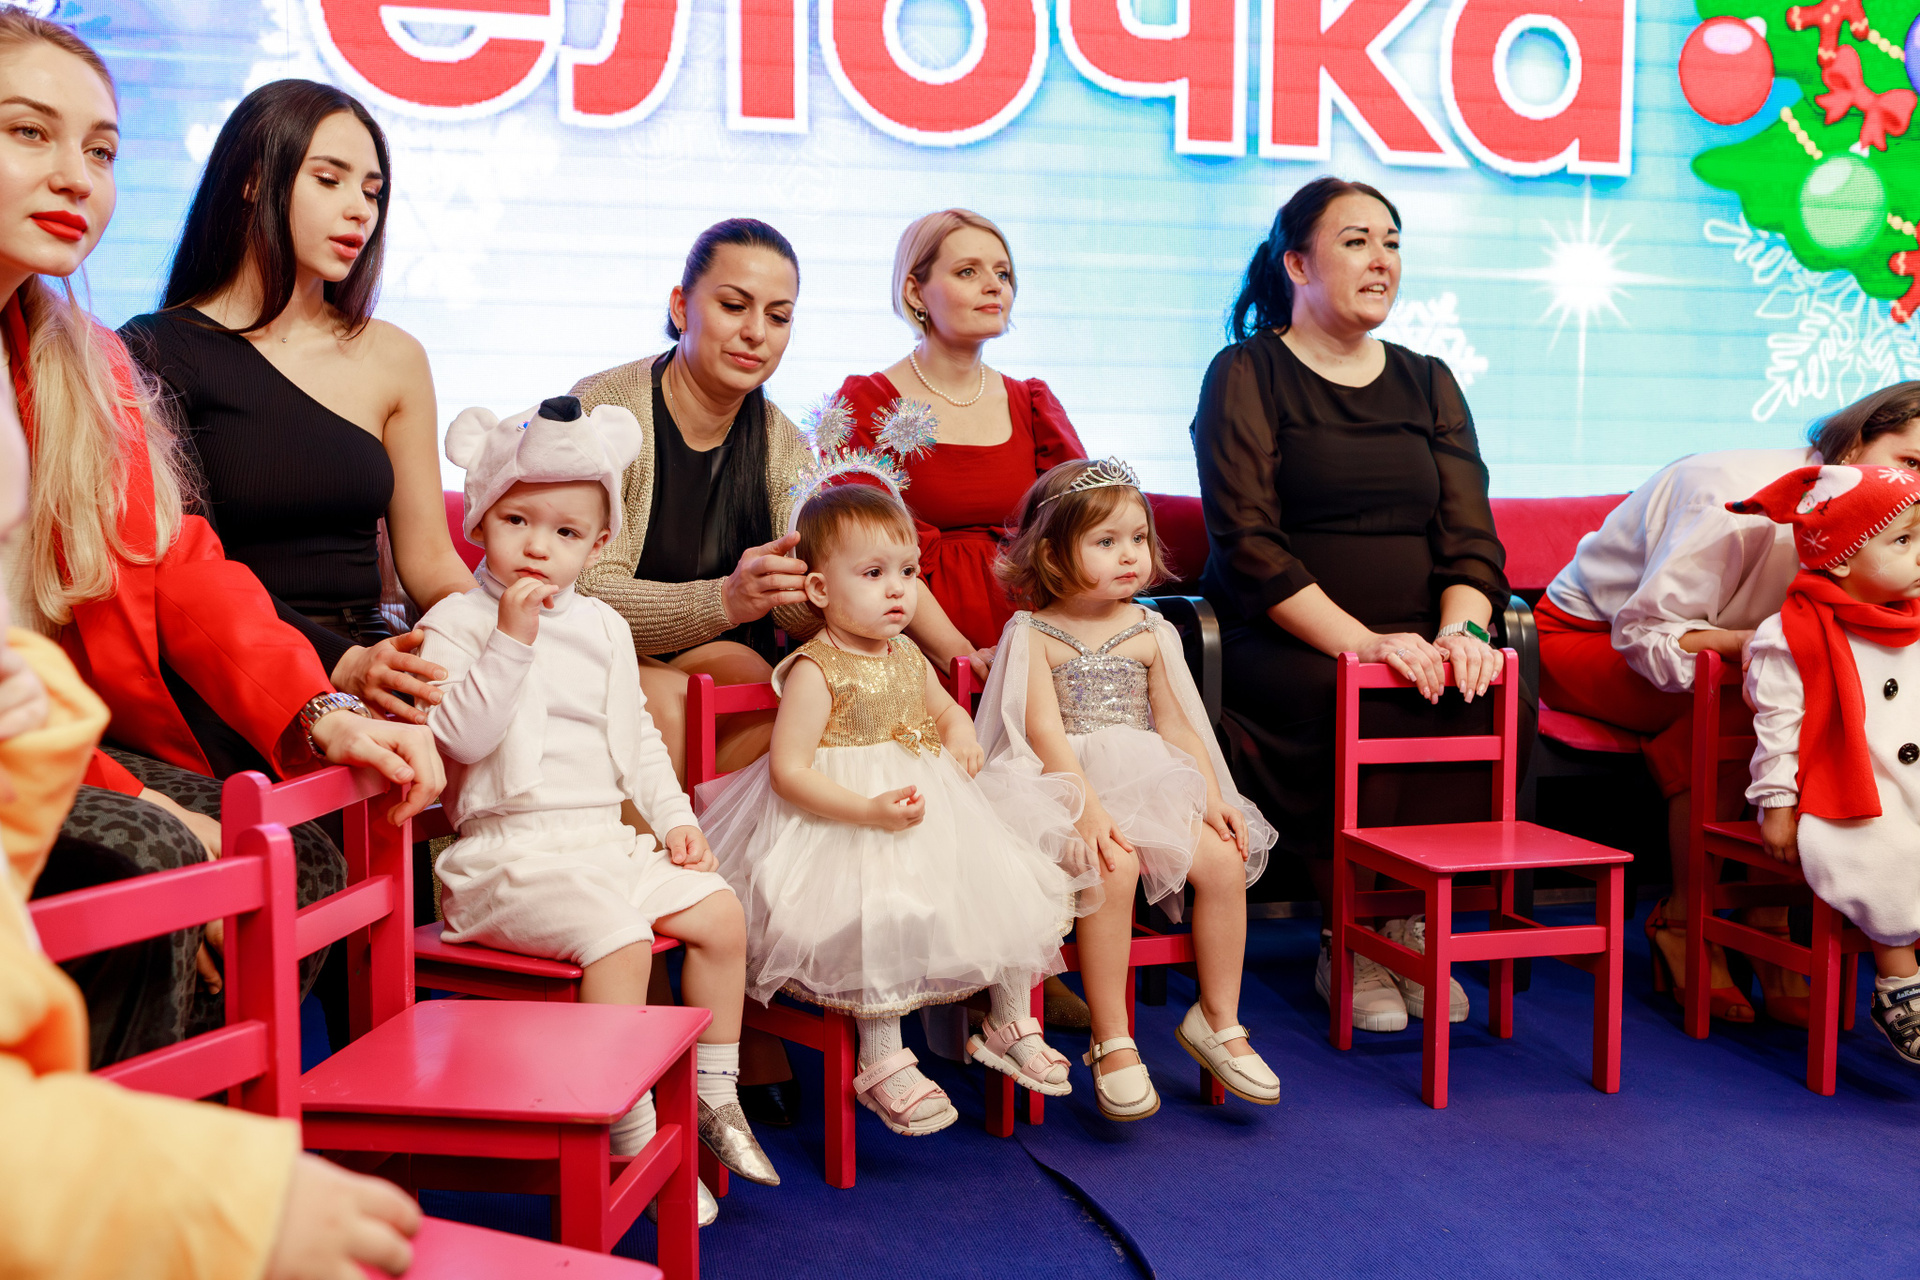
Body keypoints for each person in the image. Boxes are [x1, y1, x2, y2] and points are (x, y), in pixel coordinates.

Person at [0, 135, 417, 1268]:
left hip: (54, 727)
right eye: (29, 132)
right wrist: (141, 795)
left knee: (302, 857)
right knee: (159, 862)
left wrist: (321, 708)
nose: (76, 175)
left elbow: (174, 559)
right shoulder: (157, 340)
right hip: (27, 745)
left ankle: (208, 1166)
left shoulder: (80, 357)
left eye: (99, 148)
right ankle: (121, 1212)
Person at [418, 396, 775, 1225]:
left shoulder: (606, 628)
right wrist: (510, 641)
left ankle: (715, 1093)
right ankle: (629, 1124)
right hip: (507, 859)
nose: (539, 545)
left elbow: (638, 739)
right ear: (480, 518)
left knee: (720, 913)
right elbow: (459, 738)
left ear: (598, 544)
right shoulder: (457, 621)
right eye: (517, 520)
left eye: (567, 531)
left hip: (601, 843)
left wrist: (676, 820)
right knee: (618, 939)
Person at [1191, 175, 1511, 1036]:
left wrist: (1463, 630)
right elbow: (1247, 544)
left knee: (1472, 682)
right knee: (1357, 694)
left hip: (1419, 630)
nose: (1382, 261)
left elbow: (1470, 538)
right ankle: (1352, 933)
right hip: (1286, 632)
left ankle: (1408, 923)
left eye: (1393, 243)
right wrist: (1365, 643)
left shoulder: (1430, 381)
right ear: (1297, 264)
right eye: (1357, 241)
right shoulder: (1247, 372)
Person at [697, 483, 1088, 1136]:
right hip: (842, 824)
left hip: (929, 813)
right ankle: (880, 1057)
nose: (898, 590)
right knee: (879, 912)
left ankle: (1009, 1021)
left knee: (1010, 883)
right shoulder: (815, 670)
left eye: (908, 572)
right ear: (820, 590)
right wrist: (867, 810)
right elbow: (789, 771)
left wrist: (960, 736)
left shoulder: (907, 654)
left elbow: (945, 711)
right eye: (874, 574)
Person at [1540, 382, 1920, 1025]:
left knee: (1811, 702)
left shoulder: (1894, 516)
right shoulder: (1732, 495)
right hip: (1586, 639)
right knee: (1754, 705)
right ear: (1856, 443)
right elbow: (1644, 634)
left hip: (1730, 657)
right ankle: (1687, 924)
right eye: (1910, 461)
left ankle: (1764, 924)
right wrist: (1763, 647)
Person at [120, 78, 475, 725]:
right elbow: (187, 579)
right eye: (329, 180)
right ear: (253, 180)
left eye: (372, 191)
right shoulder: (154, 349)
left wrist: (490, 635)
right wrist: (345, 664)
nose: (360, 210)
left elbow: (430, 562)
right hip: (242, 676)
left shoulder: (394, 355)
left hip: (381, 663)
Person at [976, 458, 1279, 1119]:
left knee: (1224, 860)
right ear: (1053, 553)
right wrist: (1085, 808)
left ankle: (1219, 1019)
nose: (1129, 555)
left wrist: (1212, 795)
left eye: (1138, 538)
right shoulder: (1031, 632)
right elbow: (1043, 733)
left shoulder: (1149, 628)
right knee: (1112, 868)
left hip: (1149, 782)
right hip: (1063, 787)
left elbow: (1179, 724)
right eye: (1106, 541)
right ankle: (1112, 1038)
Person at [572, 217, 817, 781]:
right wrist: (725, 600)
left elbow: (801, 611)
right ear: (681, 308)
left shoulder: (785, 443)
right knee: (664, 702)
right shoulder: (606, 409)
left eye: (778, 317)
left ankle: (718, 841)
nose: (756, 333)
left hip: (711, 654)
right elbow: (578, 586)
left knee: (765, 685)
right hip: (588, 643)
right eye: (734, 306)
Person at [834, 208, 1087, 679]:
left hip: (1035, 639)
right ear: (915, 291)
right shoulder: (867, 402)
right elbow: (860, 549)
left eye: (1003, 274)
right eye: (968, 271)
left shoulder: (1033, 403)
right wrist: (960, 656)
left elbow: (1085, 530)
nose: (994, 286)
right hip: (906, 649)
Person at [1734, 464, 1920, 1064]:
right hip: (1846, 785)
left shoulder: (1912, 618)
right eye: (1903, 540)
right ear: (1840, 558)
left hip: (1909, 774)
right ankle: (1898, 980)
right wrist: (1777, 804)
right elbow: (1778, 728)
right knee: (1887, 847)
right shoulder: (1790, 634)